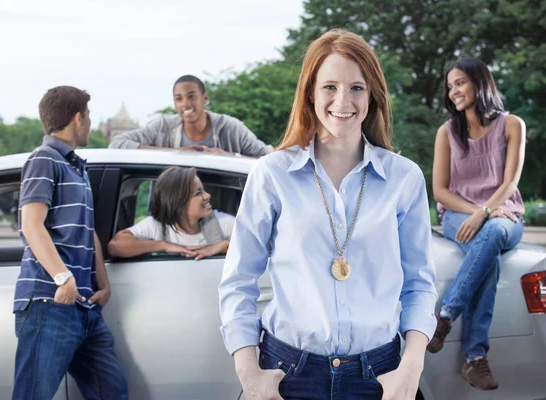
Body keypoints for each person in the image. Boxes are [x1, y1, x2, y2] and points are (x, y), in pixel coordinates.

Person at [218, 29, 437, 400]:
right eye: (329, 87)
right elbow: (238, 280)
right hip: (287, 375)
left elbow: (420, 285)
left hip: (380, 378)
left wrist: (410, 369)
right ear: (310, 94)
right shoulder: (271, 174)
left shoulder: (405, 178)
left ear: (373, 95)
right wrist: (249, 374)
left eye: (356, 88)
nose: (343, 100)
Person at [12, 86, 128, 400]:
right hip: (49, 302)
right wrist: (63, 278)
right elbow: (31, 225)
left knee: (112, 393)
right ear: (78, 118)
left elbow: (88, 232)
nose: (90, 123)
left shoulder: (77, 167)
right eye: (88, 116)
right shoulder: (43, 159)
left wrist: (103, 283)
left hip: (84, 306)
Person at [428, 58, 526, 390]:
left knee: (496, 233)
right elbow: (440, 190)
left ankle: (445, 316)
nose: (454, 91)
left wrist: (486, 210)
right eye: (450, 85)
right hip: (458, 213)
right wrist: (477, 211)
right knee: (490, 259)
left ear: (479, 83)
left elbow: (510, 182)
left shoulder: (512, 124)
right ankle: (474, 358)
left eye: (460, 83)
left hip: (503, 213)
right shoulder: (446, 132)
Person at [109, 75, 272, 157]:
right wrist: (174, 153)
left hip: (223, 215)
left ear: (205, 98)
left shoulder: (230, 128)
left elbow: (267, 156)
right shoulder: (163, 127)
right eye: (178, 99)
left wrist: (230, 158)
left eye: (191, 96)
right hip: (173, 215)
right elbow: (117, 143)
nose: (185, 104)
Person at [107, 166, 233, 261]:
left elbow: (251, 241)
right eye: (198, 193)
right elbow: (115, 246)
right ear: (178, 203)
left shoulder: (219, 222)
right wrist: (164, 246)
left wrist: (224, 245)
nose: (207, 196)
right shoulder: (156, 225)